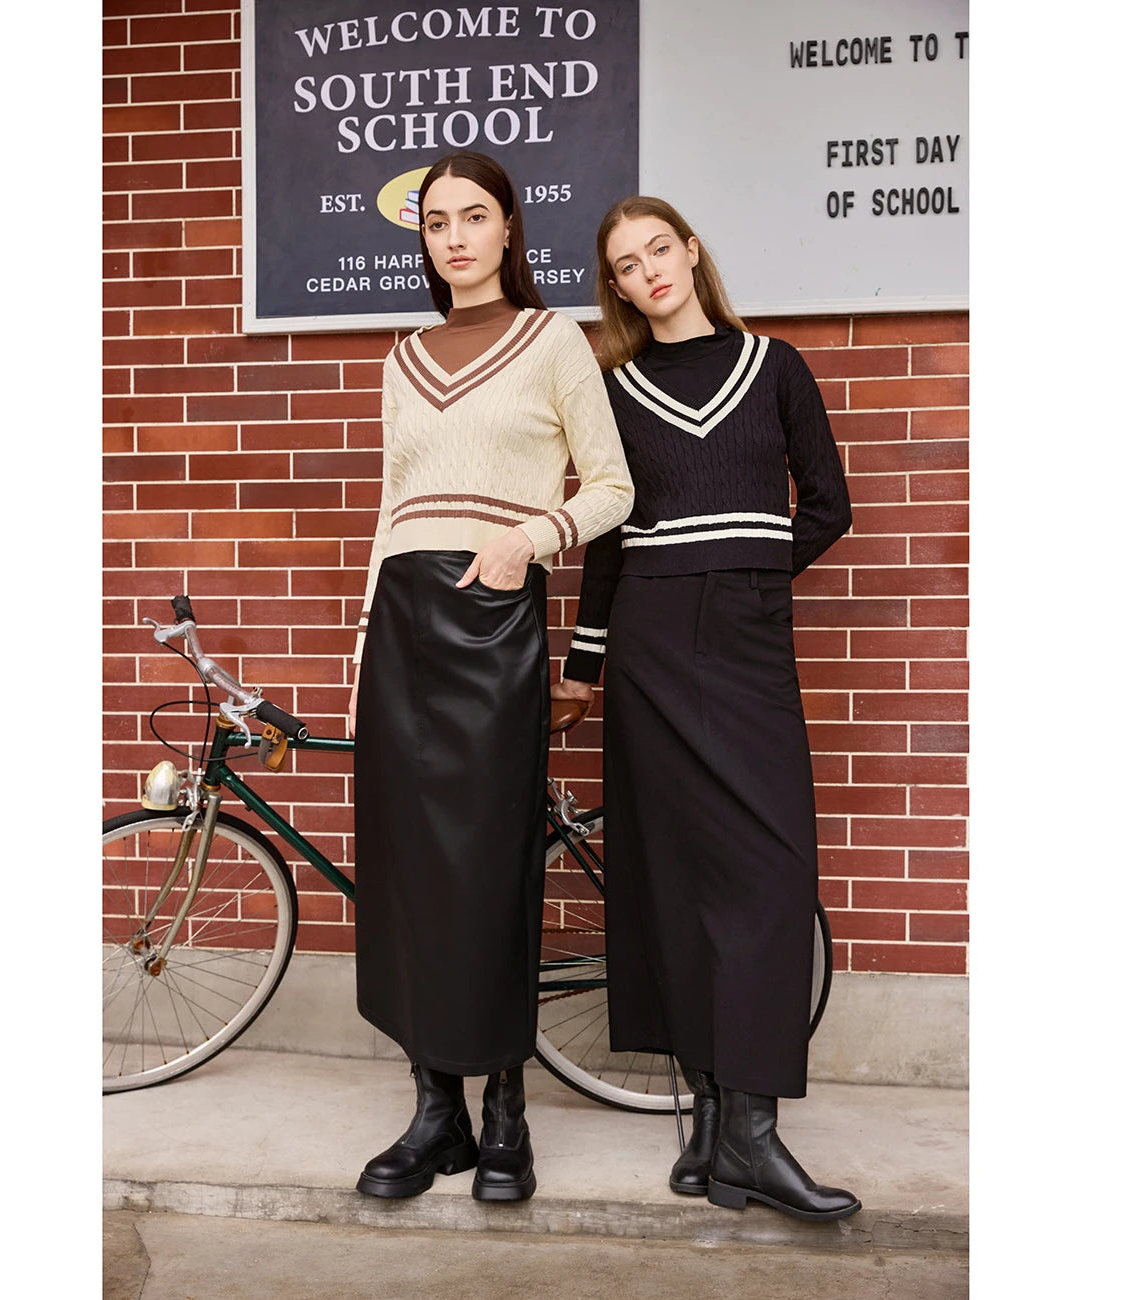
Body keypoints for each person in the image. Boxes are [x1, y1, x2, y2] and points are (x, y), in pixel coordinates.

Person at [551, 196, 860, 1220]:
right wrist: (583, 667)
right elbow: (607, 538)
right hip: (646, 639)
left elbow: (828, 505)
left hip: (745, 638)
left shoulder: (774, 367)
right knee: (672, 875)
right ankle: (717, 1128)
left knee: (767, 871)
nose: (649, 271)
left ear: (690, 251)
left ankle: (751, 1136)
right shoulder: (613, 388)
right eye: (625, 264)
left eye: (659, 249)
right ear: (616, 286)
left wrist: (753, 577)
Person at [348, 151, 633, 1204]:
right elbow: (392, 507)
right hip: (401, 627)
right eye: (437, 223)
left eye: (474, 217)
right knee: (406, 873)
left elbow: (613, 487)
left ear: (509, 227)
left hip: (492, 618)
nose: (456, 237)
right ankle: (438, 1114)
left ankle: (507, 1107)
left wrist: (528, 539)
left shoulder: (553, 340)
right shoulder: (403, 357)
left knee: (488, 865)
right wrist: (363, 646)